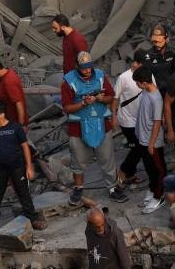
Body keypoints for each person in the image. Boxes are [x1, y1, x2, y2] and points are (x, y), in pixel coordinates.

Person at [62, 51, 128, 206]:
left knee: (107, 158)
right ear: (77, 66)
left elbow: (111, 97)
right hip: (78, 126)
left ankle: (112, 187)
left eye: (89, 67)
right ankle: (78, 188)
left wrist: (100, 98)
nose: (87, 71)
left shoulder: (99, 75)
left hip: (101, 123)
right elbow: (67, 107)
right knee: (78, 160)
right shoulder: (68, 81)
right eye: (84, 68)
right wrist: (83, 103)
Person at [0, 100, 46, 229]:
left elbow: (25, 147)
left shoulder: (15, 127)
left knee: (23, 192)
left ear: (2, 114)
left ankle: (33, 219)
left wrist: (29, 166)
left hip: (17, 166)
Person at [131, 65, 166, 214]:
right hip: (143, 139)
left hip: (152, 142)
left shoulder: (156, 98)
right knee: (150, 169)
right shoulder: (146, 91)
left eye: (137, 83)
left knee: (158, 171)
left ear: (144, 83)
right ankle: (152, 191)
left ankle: (159, 197)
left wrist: (152, 143)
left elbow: (157, 122)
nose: (137, 85)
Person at [114, 50, 149, 188]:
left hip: (142, 119)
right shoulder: (124, 77)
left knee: (139, 148)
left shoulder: (147, 74)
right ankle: (122, 173)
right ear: (135, 63)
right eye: (143, 64)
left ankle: (130, 174)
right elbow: (115, 98)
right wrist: (114, 117)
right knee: (137, 148)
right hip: (127, 120)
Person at [0, 57, 28, 127]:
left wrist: (20, 125)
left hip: (14, 123)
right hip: (9, 120)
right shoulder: (4, 76)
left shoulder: (9, 81)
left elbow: (18, 103)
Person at [141, 24, 175, 94]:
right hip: (155, 93)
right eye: (154, 41)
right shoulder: (148, 56)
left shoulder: (173, 53)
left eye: (159, 41)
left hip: (170, 92)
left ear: (166, 40)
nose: (156, 44)